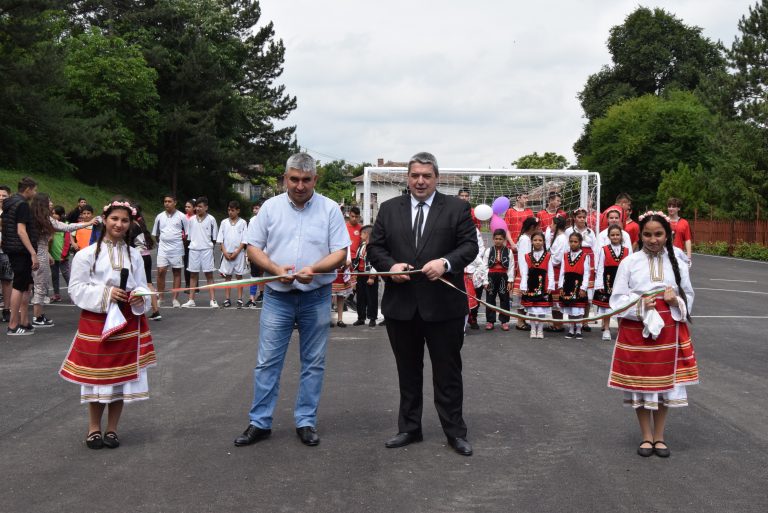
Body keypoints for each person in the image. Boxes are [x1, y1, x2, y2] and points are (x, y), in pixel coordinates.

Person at [233, 152, 349, 449]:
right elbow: (252, 248)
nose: (299, 186)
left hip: (316, 296)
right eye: (294, 179)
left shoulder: (330, 209)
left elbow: (340, 253)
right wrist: (273, 269)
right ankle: (260, 422)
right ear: (285, 178)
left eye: (306, 180)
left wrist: (316, 269)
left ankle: (306, 421)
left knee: (313, 363)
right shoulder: (269, 209)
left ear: (315, 179)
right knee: (267, 362)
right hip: (277, 297)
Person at [368, 151, 478, 456]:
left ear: (436, 178)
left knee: (448, 372)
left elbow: (469, 246)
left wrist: (445, 262)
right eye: (415, 175)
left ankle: (455, 432)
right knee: (408, 371)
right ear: (407, 178)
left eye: (426, 176)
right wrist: (389, 267)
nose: (420, 181)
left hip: (444, 307)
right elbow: (375, 248)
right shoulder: (389, 210)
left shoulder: (457, 208)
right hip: (401, 307)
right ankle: (409, 428)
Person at [59, 200, 155, 450]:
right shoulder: (86, 254)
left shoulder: (134, 255)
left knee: (120, 380)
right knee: (96, 378)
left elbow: (142, 285)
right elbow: (76, 289)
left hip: (126, 323)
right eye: (114, 219)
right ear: (104, 219)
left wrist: (139, 295)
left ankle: (112, 429)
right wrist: (106, 294)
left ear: (130, 223)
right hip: (97, 321)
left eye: (124, 220)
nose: (119, 224)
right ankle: (93, 428)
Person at [608, 211, 697, 458]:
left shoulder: (678, 258)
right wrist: (638, 306)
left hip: (669, 328)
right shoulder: (630, 262)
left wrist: (675, 300)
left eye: (658, 234)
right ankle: (646, 436)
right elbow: (616, 300)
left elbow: (688, 295)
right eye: (647, 234)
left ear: (667, 235)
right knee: (641, 385)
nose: (653, 239)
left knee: (664, 385)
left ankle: (660, 436)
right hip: (637, 329)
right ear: (641, 235)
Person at [30, 193, 94, 328]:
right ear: (43, 204)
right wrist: (88, 223)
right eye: (49, 201)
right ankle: (37, 317)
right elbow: (66, 227)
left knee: (36, 285)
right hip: (39, 254)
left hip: (38, 253)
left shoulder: (35, 217)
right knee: (40, 285)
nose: (52, 203)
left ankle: (35, 315)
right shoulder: (45, 219)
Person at [2, 177, 39, 335]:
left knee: (25, 284)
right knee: (19, 285)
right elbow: (21, 230)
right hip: (20, 250)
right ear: (28, 189)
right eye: (34, 189)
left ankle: (23, 321)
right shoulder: (22, 204)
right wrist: (33, 253)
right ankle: (13, 324)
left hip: (11, 247)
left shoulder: (9, 203)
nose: (35, 193)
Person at [593, 224, 630, 341]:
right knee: (607, 307)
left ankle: (620, 330)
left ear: (621, 236)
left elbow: (629, 269)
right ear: (609, 236)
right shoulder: (604, 250)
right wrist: (599, 284)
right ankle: (607, 329)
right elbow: (600, 268)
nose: (615, 237)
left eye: (617, 235)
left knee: (621, 306)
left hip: (621, 281)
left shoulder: (627, 251)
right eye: (612, 235)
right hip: (607, 280)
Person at [152, 194, 188, 308]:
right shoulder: (159, 217)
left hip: (177, 249)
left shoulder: (182, 217)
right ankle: (161, 297)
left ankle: (175, 299)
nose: (167, 203)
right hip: (163, 249)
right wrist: (162, 242)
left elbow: (187, 234)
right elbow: (156, 234)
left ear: (175, 202)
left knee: (177, 272)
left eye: (169, 201)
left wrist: (180, 244)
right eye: (165, 201)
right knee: (161, 271)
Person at [182, 197, 218, 308]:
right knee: (193, 275)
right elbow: (189, 236)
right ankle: (191, 300)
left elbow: (214, 238)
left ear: (206, 207)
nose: (198, 208)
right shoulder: (191, 220)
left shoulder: (212, 219)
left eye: (200, 206)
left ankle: (213, 300)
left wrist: (208, 247)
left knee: (209, 275)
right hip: (194, 250)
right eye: (196, 206)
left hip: (207, 250)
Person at [565, 208, 597, 332]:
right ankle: (572, 321)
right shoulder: (569, 231)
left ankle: (585, 321)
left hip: (588, 259)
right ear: (575, 218)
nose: (582, 219)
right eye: (579, 217)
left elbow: (595, 247)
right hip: (574, 259)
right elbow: (567, 247)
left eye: (584, 217)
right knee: (573, 290)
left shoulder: (590, 232)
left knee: (587, 292)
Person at [519, 230, 555, 339]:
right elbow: (524, 272)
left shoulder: (548, 256)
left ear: (544, 242)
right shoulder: (527, 256)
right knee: (532, 310)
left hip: (543, 285)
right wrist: (523, 285)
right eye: (535, 240)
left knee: (541, 310)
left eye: (540, 240)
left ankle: (540, 329)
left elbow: (551, 272)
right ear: (531, 242)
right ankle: (533, 328)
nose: (537, 242)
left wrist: (550, 286)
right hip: (531, 285)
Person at [130, 205, 161, 321]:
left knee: (136, 284)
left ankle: (137, 311)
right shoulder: (140, 223)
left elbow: (128, 243)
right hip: (146, 255)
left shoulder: (132, 225)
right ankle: (155, 310)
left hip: (139, 257)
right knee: (148, 284)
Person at [558, 232, 590, 339]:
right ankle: (571, 329)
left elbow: (586, 273)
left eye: (575, 242)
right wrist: (561, 286)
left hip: (578, 283)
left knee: (579, 309)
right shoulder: (565, 255)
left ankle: (579, 329)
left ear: (580, 242)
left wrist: (583, 287)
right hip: (568, 284)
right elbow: (562, 271)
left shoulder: (585, 256)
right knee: (570, 307)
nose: (573, 244)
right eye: (571, 241)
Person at [217, 200, 248, 308]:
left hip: (238, 254)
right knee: (227, 277)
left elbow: (244, 240)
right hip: (227, 254)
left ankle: (239, 299)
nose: (230, 212)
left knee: (239, 276)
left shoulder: (243, 222)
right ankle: (227, 299)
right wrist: (224, 252)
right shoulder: (224, 222)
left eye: (233, 210)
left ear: (238, 211)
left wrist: (237, 252)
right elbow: (220, 239)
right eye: (229, 210)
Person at [482, 229, 514, 331]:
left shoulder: (509, 251)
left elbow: (511, 267)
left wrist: (510, 281)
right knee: (490, 299)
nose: (498, 241)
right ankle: (490, 321)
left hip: (503, 277)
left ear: (504, 239)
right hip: (491, 276)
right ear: (493, 239)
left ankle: (504, 321)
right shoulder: (488, 251)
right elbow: (484, 266)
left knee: (504, 299)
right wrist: (485, 281)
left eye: (500, 239)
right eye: (496, 239)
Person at [513, 216, 539, 331]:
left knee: (524, 297)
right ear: (532, 227)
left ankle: (522, 320)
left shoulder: (527, 238)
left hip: (527, 270)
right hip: (524, 271)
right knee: (521, 296)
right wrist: (525, 274)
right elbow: (524, 257)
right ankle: (520, 321)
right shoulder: (525, 239)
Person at [352, 225, 378, 327]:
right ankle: (361, 317)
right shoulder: (362, 245)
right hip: (361, 274)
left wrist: (372, 276)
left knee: (371, 297)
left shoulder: (374, 246)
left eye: (362, 233)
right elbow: (358, 260)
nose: (360, 235)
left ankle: (372, 318)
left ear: (367, 234)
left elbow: (376, 262)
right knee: (361, 297)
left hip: (370, 274)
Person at [546, 216, 568, 332]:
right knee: (554, 299)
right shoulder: (558, 238)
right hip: (553, 268)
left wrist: (547, 261)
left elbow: (558, 258)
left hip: (557, 270)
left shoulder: (562, 239)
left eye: (552, 223)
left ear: (557, 225)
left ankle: (558, 324)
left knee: (557, 298)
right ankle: (556, 323)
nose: (550, 226)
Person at [245, 200, 265, 307]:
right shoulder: (252, 221)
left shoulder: (270, 219)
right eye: (254, 208)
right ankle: (252, 298)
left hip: (268, 253)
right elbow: (249, 238)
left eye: (257, 208)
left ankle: (263, 294)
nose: (254, 210)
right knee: (254, 275)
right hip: (256, 252)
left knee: (266, 275)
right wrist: (248, 253)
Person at [0, 185, 14, 322]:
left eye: (4, 195)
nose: (1, 198)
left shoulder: (12, 211)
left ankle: (6, 309)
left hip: (6, 251)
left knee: (7, 280)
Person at [667, 198, 692, 265]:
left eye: (674, 206)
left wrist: (688, 258)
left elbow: (687, 240)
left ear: (679, 208)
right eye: (669, 206)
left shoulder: (684, 223)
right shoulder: (663, 221)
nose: (671, 208)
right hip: (664, 255)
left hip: (678, 255)